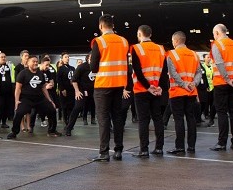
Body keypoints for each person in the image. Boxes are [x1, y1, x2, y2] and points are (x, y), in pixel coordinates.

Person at [89, 14, 130, 162]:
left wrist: (94, 72)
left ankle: (104, 152)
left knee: (103, 118)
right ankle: (118, 150)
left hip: (103, 85)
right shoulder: (124, 41)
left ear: (100, 26)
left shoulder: (99, 41)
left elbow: (93, 66)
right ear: (113, 25)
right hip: (119, 84)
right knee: (117, 117)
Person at [128, 25, 169, 158]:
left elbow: (138, 71)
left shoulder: (136, 48)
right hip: (156, 90)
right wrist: (160, 87)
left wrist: (147, 86)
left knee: (143, 120)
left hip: (142, 90)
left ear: (140, 34)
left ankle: (144, 150)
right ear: (150, 34)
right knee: (157, 118)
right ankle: (159, 148)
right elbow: (164, 71)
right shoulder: (161, 49)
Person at [165, 31, 202, 155]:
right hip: (191, 92)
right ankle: (191, 146)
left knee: (179, 119)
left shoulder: (172, 54)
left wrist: (183, 84)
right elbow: (198, 73)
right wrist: (193, 84)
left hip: (177, 92)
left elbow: (173, 73)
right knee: (191, 118)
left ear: (175, 41)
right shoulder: (194, 54)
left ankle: (179, 147)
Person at [8, 55, 61, 139]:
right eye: (33, 61)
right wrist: (16, 101)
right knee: (19, 112)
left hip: (39, 98)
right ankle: (14, 132)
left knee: (52, 109)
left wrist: (50, 100)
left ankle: (52, 130)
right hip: (26, 99)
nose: (35, 63)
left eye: (37, 61)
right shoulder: (23, 73)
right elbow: (18, 89)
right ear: (28, 63)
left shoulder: (40, 73)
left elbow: (43, 87)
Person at [209, 24, 233, 151]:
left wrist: (228, 80)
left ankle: (222, 143)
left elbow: (219, 64)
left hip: (221, 83)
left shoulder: (216, 45)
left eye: (214, 33)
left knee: (222, 113)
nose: (213, 36)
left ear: (218, 33)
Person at [65, 55, 94, 136]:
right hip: (82, 90)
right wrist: (77, 91)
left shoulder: (99, 66)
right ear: (88, 59)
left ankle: (110, 127)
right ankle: (69, 128)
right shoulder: (81, 67)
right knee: (78, 107)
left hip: (95, 90)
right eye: (92, 58)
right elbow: (74, 80)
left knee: (104, 108)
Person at [0, 52, 16, 130]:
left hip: (9, 91)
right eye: (1, 57)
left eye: (4, 57)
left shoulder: (10, 66)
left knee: (6, 108)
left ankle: (4, 122)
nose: (3, 58)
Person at [57, 53, 75, 126]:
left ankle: (70, 121)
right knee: (64, 106)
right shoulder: (61, 68)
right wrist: (62, 89)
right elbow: (58, 79)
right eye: (65, 57)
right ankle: (65, 121)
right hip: (64, 89)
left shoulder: (72, 68)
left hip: (72, 89)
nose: (67, 58)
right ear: (62, 59)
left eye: (68, 57)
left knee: (71, 105)